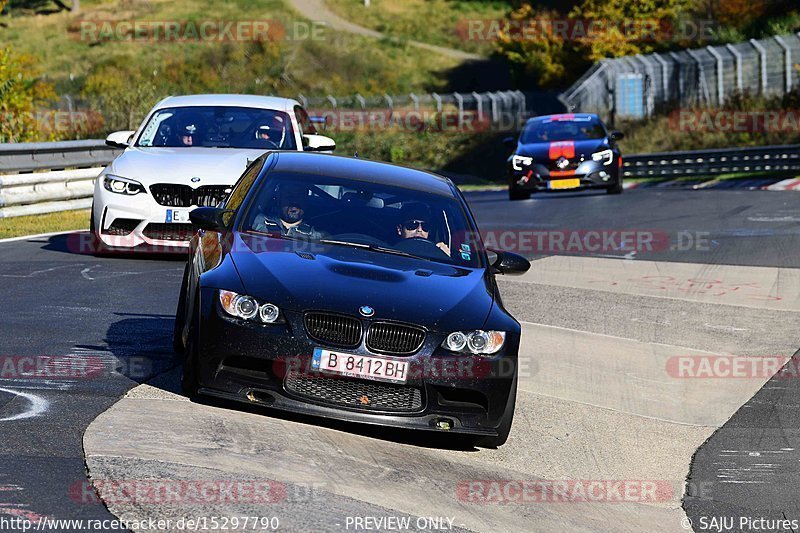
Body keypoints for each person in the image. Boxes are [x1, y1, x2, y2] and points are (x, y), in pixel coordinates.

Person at [252, 184, 321, 239]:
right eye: (289, 196)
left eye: (299, 196)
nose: (294, 201)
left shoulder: (316, 236)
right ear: (279, 199)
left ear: (305, 201)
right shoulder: (259, 222)